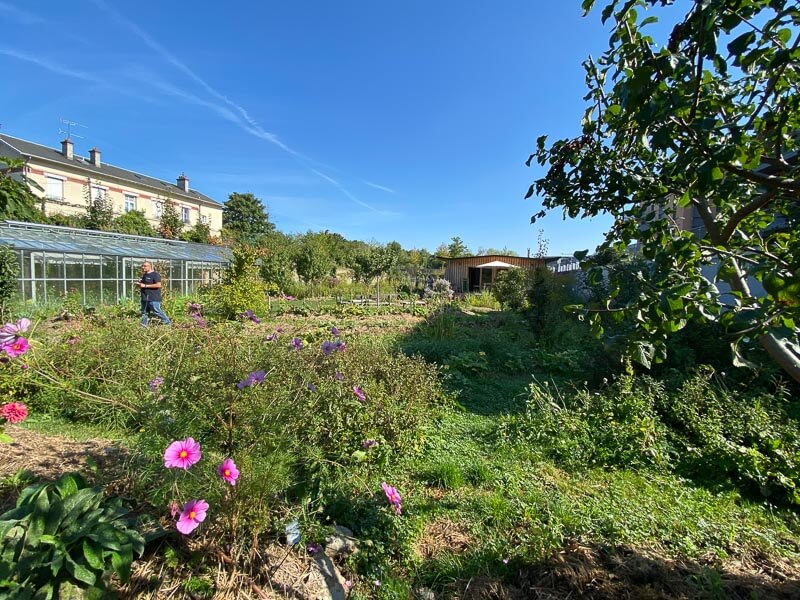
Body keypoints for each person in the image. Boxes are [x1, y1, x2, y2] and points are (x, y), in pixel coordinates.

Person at [135, 261, 171, 326]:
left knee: (157, 311)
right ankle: (143, 326)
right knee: (144, 313)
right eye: (142, 266)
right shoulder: (145, 275)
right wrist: (139, 284)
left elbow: (158, 285)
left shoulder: (155, 275)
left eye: (145, 266)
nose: (143, 267)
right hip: (145, 297)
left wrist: (145, 286)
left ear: (150, 267)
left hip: (153, 298)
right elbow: (144, 284)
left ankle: (167, 323)